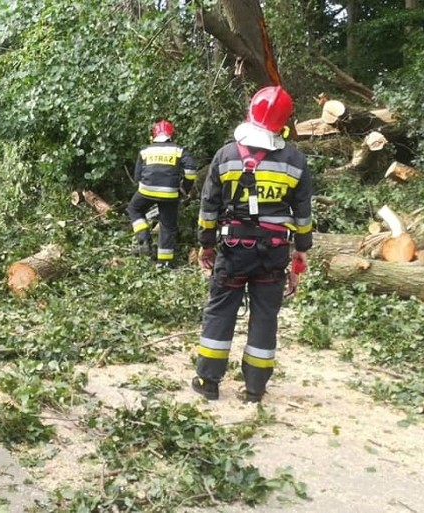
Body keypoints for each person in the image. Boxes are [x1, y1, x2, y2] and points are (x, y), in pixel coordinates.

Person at [191, 85, 313, 403]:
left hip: (233, 250)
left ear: (251, 112)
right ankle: (255, 389)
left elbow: (208, 209)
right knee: (265, 316)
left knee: (219, 311)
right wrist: (300, 255)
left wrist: (206, 244)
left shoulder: (226, 155)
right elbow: (302, 215)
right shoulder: (295, 161)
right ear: (284, 122)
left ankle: (208, 382)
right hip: (273, 254)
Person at [126, 120, 198, 268]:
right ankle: (164, 263)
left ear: (154, 135)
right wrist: (185, 188)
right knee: (167, 226)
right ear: (171, 135)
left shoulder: (145, 151)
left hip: (146, 190)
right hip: (170, 193)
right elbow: (191, 170)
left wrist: (143, 185)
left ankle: (143, 240)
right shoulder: (178, 150)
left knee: (134, 209)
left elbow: (137, 176)